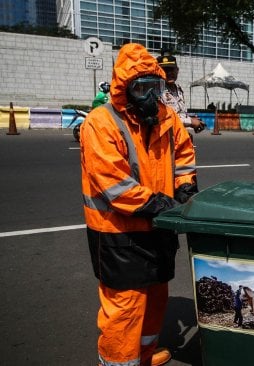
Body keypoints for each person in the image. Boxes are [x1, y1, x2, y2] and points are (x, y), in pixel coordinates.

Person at [80, 43, 198, 366]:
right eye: (140, 87)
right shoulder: (100, 124)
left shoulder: (167, 118)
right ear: (124, 88)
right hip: (119, 235)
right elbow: (115, 187)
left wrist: (185, 187)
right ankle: (119, 362)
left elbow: (184, 156)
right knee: (125, 310)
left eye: (154, 86)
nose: (149, 95)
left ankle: (143, 355)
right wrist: (161, 204)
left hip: (158, 229)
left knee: (156, 298)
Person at [156, 52, 206, 136]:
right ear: (158, 72)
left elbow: (179, 112)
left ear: (177, 70)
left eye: (171, 69)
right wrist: (191, 121)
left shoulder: (178, 89)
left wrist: (192, 119)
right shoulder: (156, 91)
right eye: (165, 70)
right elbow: (164, 118)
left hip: (179, 136)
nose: (169, 73)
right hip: (165, 139)